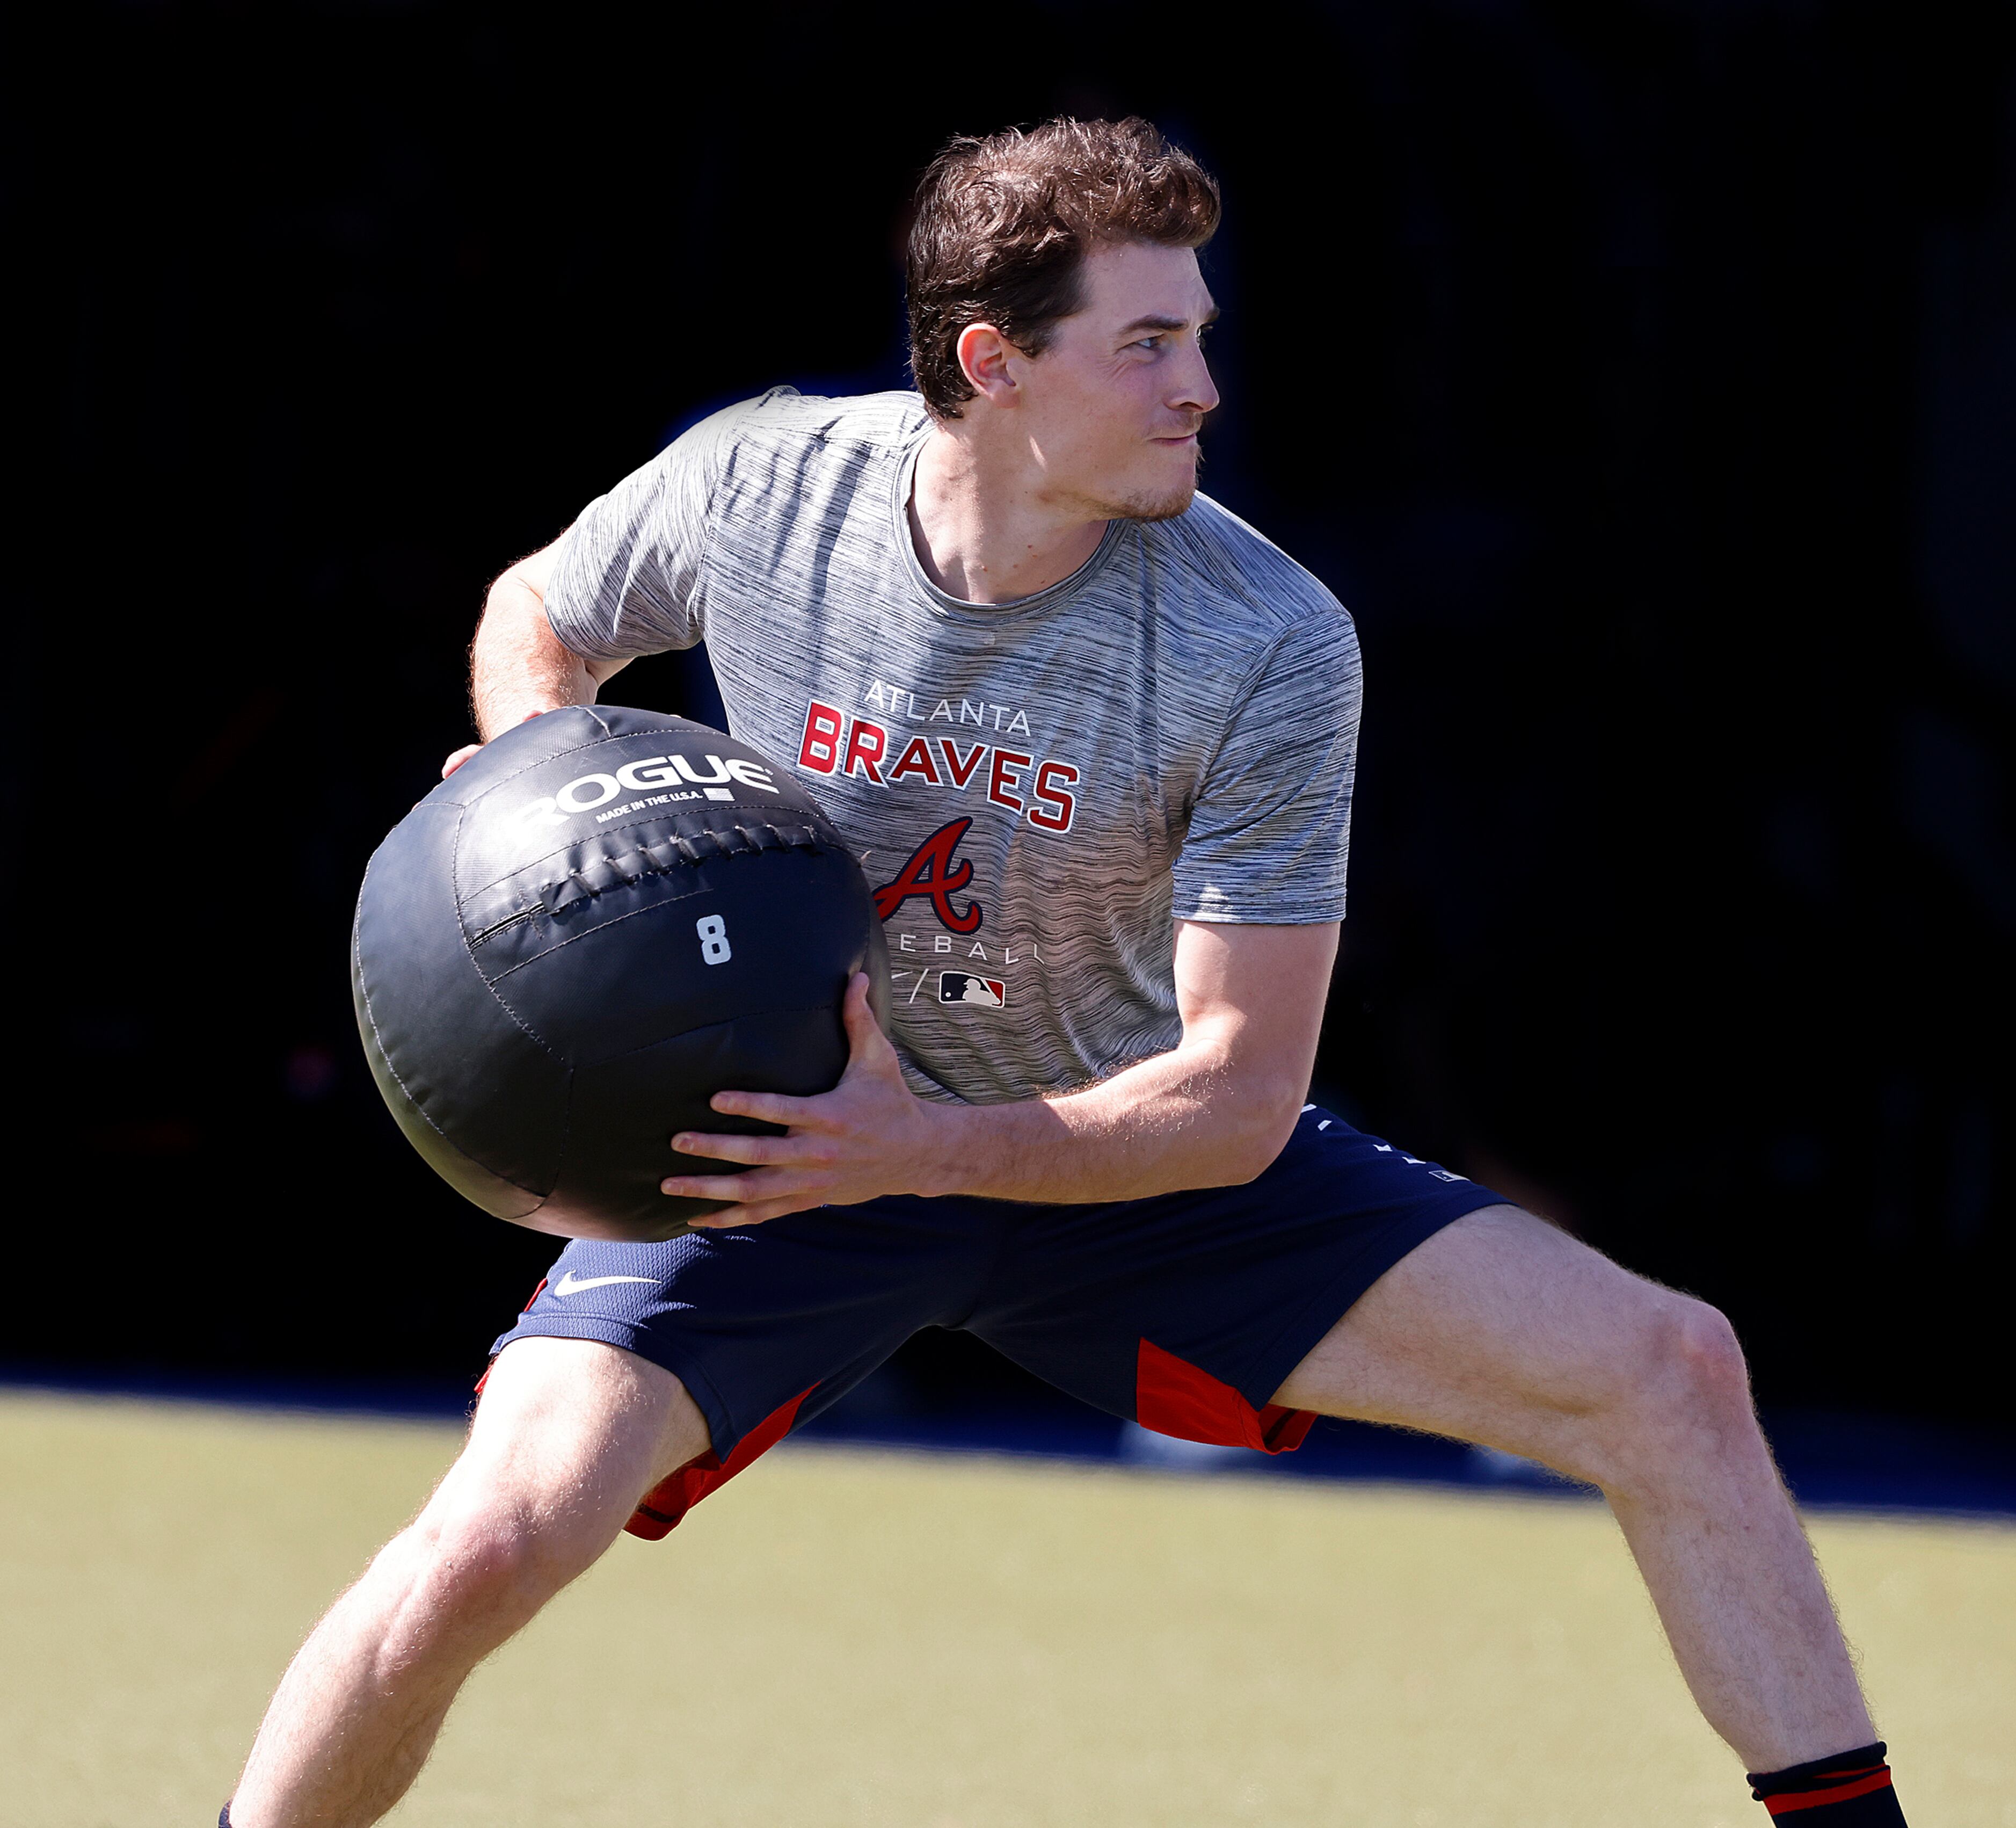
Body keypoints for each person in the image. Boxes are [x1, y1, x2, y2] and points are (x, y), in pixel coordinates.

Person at [227, 118, 1908, 1827]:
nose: (1204, 390)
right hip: (778, 1145)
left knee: (1673, 1369)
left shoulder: (1268, 635)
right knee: (486, 1541)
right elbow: (543, 607)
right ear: (994, 362)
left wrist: (940, 1144)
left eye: (1203, 338)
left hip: (1119, 1148)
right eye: (1150, 343)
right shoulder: (766, 482)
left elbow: (1241, 1093)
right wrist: (546, 780)